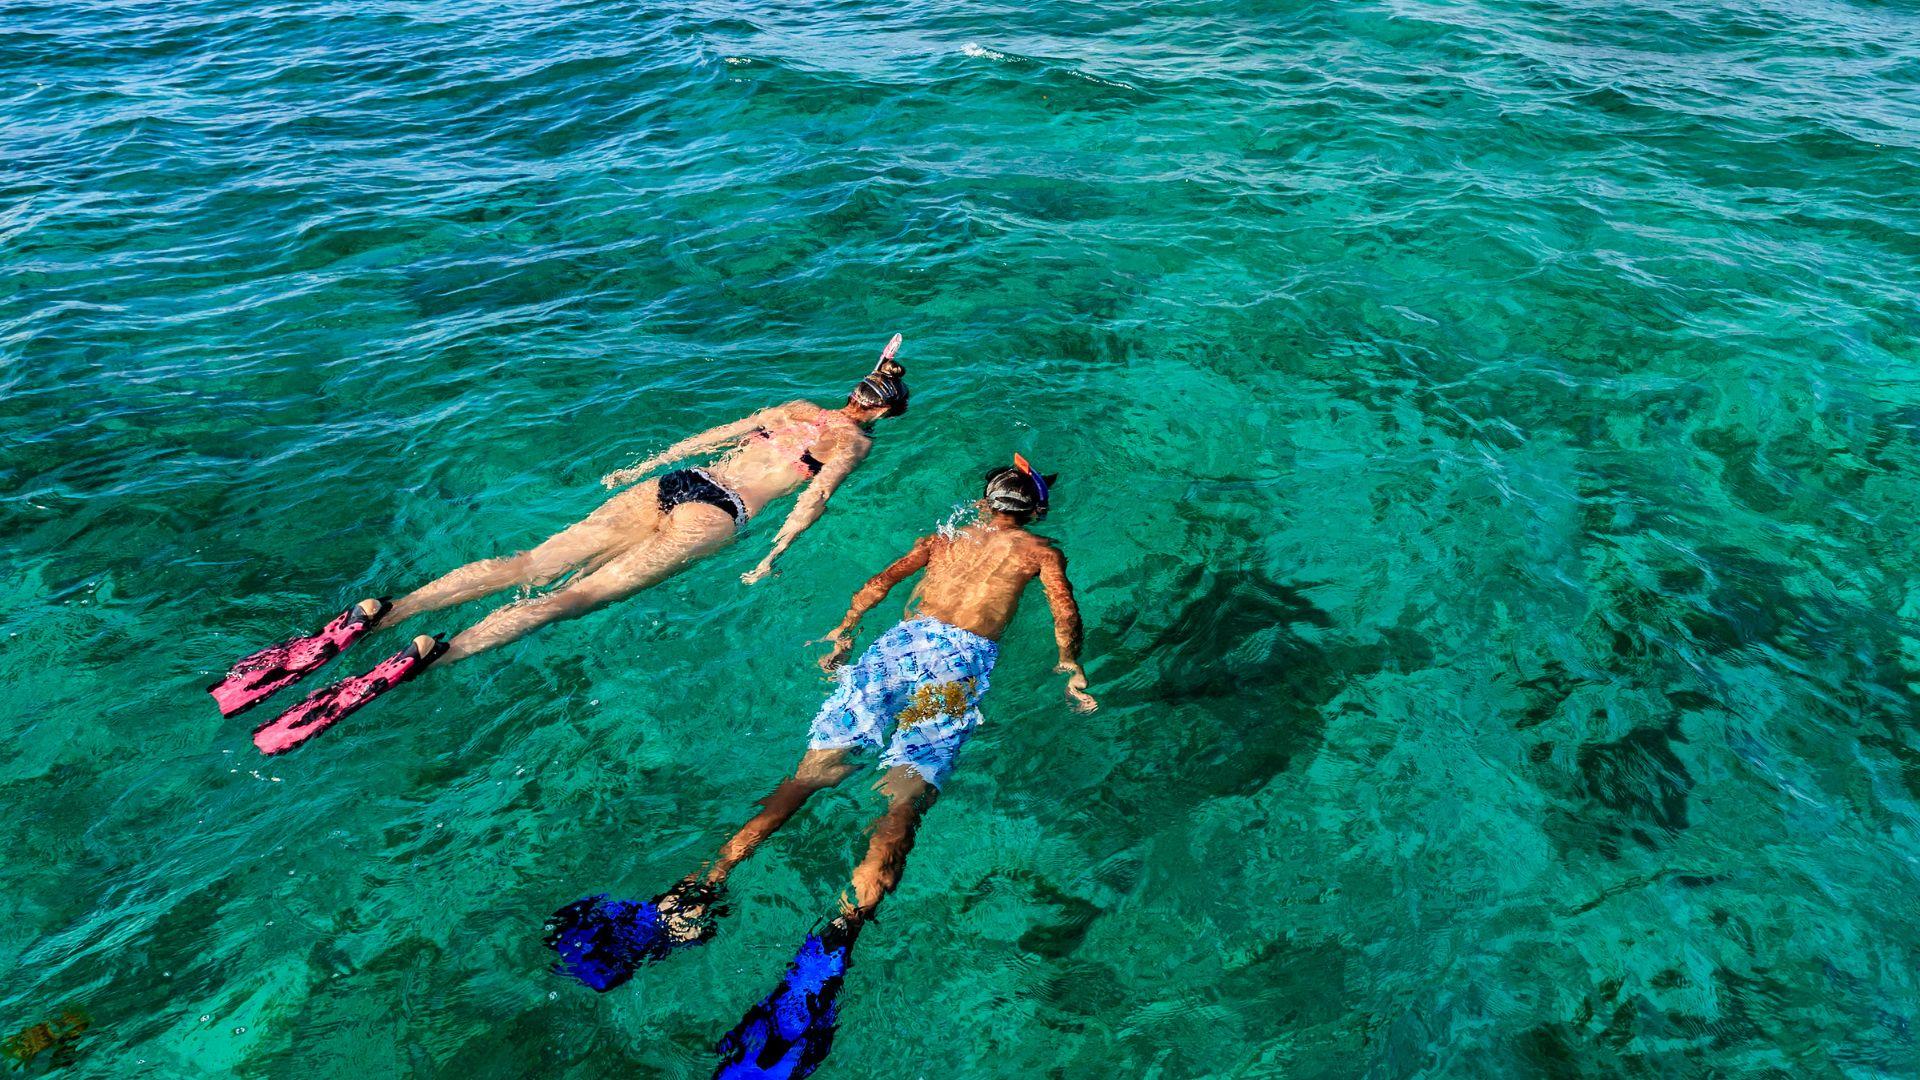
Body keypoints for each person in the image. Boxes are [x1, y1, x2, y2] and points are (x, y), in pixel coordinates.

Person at [544, 454, 1095, 1011]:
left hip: (897, 649)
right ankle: (840, 933)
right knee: (901, 805)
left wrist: (844, 631)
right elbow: (1063, 613)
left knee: (806, 779)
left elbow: (879, 583)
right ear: (1036, 512)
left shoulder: (943, 539)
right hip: (960, 664)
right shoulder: (1040, 551)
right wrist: (1070, 668)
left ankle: (701, 885)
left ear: (984, 501)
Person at [209, 337, 910, 755]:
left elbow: (712, 436)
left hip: (682, 479)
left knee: (529, 565)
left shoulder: (796, 408)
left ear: (855, 387)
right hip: (721, 512)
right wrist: (771, 556)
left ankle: (388, 610)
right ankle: (437, 652)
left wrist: (639, 468)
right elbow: (814, 499)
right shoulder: (849, 442)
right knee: (568, 598)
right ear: (883, 410)